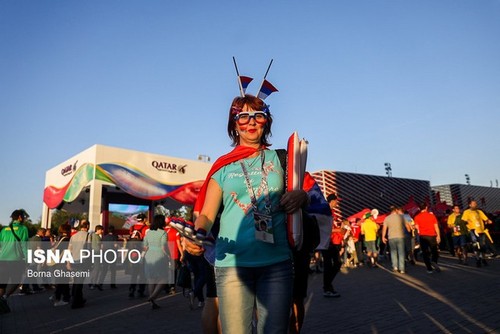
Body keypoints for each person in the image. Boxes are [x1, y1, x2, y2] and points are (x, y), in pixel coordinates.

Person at [184, 94, 308, 333]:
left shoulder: (282, 159)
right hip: (232, 265)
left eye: (258, 116)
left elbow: (305, 194)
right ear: (234, 124)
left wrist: (301, 196)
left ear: (266, 122)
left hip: (276, 263)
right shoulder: (222, 166)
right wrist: (197, 234)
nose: (251, 122)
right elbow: (207, 214)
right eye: (244, 117)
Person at [0, 209, 29, 313]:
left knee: (2, 283)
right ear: (20, 217)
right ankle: (4, 298)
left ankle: (1, 301)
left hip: (2, 259)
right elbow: (24, 245)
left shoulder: (4, 229)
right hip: (16, 259)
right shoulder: (23, 229)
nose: (25, 219)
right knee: (17, 281)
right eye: (24, 217)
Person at [143, 214, 171, 310]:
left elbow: (145, 246)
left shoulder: (148, 232)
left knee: (151, 279)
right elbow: (164, 247)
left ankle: (153, 303)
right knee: (164, 279)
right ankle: (153, 297)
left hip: (149, 256)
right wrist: (168, 256)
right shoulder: (163, 233)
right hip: (159, 256)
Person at [67, 220, 92, 309]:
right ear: (87, 226)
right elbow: (89, 249)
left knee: (76, 280)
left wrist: (68, 262)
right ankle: (76, 302)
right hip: (83, 261)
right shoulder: (88, 235)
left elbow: (69, 249)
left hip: (74, 261)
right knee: (79, 283)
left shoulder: (73, 236)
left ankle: (78, 298)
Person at [461, 200, 493, 267]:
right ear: (470, 205)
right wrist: (467, 224)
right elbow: (463, 221)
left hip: (481, 231)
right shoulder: (466, 212)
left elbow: (485, 218)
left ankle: (483, 259)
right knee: (476, 246)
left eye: (475, 203)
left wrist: (488, 220)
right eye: (473, 204)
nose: (475, 205)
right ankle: (478, 260)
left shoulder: (479, 211)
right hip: (473, 231)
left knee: (482, 246)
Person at [382, 206, 411, 274]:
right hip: (400, 236)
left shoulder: (387, 218)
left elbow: (384, 228)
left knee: (393, 252)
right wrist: (409, 230)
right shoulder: (401, 217)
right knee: (401, 252)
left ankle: (395, 267)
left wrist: (383, 237)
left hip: (391, 237)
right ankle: (402, 269)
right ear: (395, 210)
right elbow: (407, 227)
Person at [414, 204, 441, 273]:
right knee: (434, 250)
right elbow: (436, 226)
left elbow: (417, 228)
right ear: (426, 208)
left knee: (425, 252)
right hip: (432, 235)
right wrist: (438, 236)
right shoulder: (431, 215)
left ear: (419, 209)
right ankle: (434, 261)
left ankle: (429, 269)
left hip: (422, 236)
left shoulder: (417, 217)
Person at [51, 223, 72, 306]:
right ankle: (57, 299)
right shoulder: (66, 239)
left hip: (58, 262)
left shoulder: (59, 238)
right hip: (62, 262)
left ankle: (66, 297)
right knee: (62, 281)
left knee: (63, 281)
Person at [89, 225, 104, 290]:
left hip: (93, 253)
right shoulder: (97, 237)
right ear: (98, 230)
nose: (102, 231)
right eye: (101, 230)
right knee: (97, 268)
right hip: (97, 253)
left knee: (95, 268)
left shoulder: (91, 235)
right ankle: (93, 283)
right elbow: (100, 245)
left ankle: (92, 281)